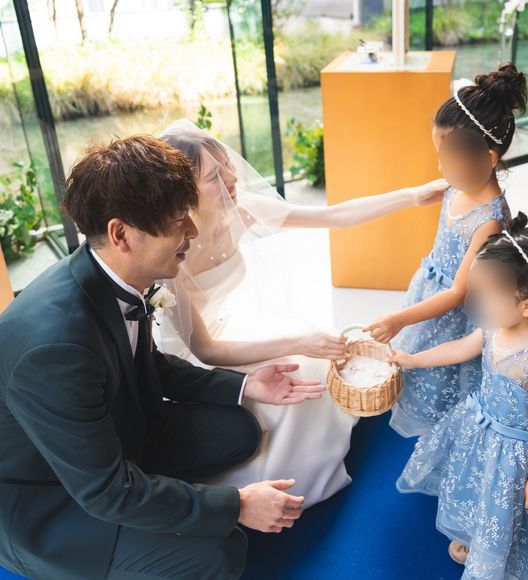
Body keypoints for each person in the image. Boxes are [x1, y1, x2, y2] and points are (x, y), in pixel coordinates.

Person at [0, 135, 325, 580]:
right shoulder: (55, 349)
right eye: (177, 222)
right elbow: (104, 490)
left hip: (117, 433)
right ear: (121, 234)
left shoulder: (113, 271)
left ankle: (155, 494)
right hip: (51, 501)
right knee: (221, 552)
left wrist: (246, 384)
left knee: (240, 430)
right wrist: (237, 505)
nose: (192, 231)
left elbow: (149, 363)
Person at [155, 119, 449, 506]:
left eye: (227, 165)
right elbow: (205, 350)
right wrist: (298, 343)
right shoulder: (168, 251)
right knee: (299, 367)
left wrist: (412, 195)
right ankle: (285, 484)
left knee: (314, 360)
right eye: (215, 176)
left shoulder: (240, 209)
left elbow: (335, 217)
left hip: (228, 330)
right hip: (191, 360)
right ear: (184, 192)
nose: (232, 178)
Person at [391, 213, 528, 578]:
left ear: (527, 305)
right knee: (480, 490)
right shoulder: (495, 326)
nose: (479, 307)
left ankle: (502, 553)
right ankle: (477, 537)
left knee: (513, 503)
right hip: (485, 434)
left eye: (488, 298)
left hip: (522, 454)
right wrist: (413, 359)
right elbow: (461, 348)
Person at [365, 62, 525, 437]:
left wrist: (400, 319)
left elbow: (457, 292)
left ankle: (440, 437)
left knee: (440, 378)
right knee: (415, 360)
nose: (440, 167)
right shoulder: (459, 183)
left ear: (488, 158)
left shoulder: (489, 220)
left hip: (454, 311)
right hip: (430, 289)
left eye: (447, 158)